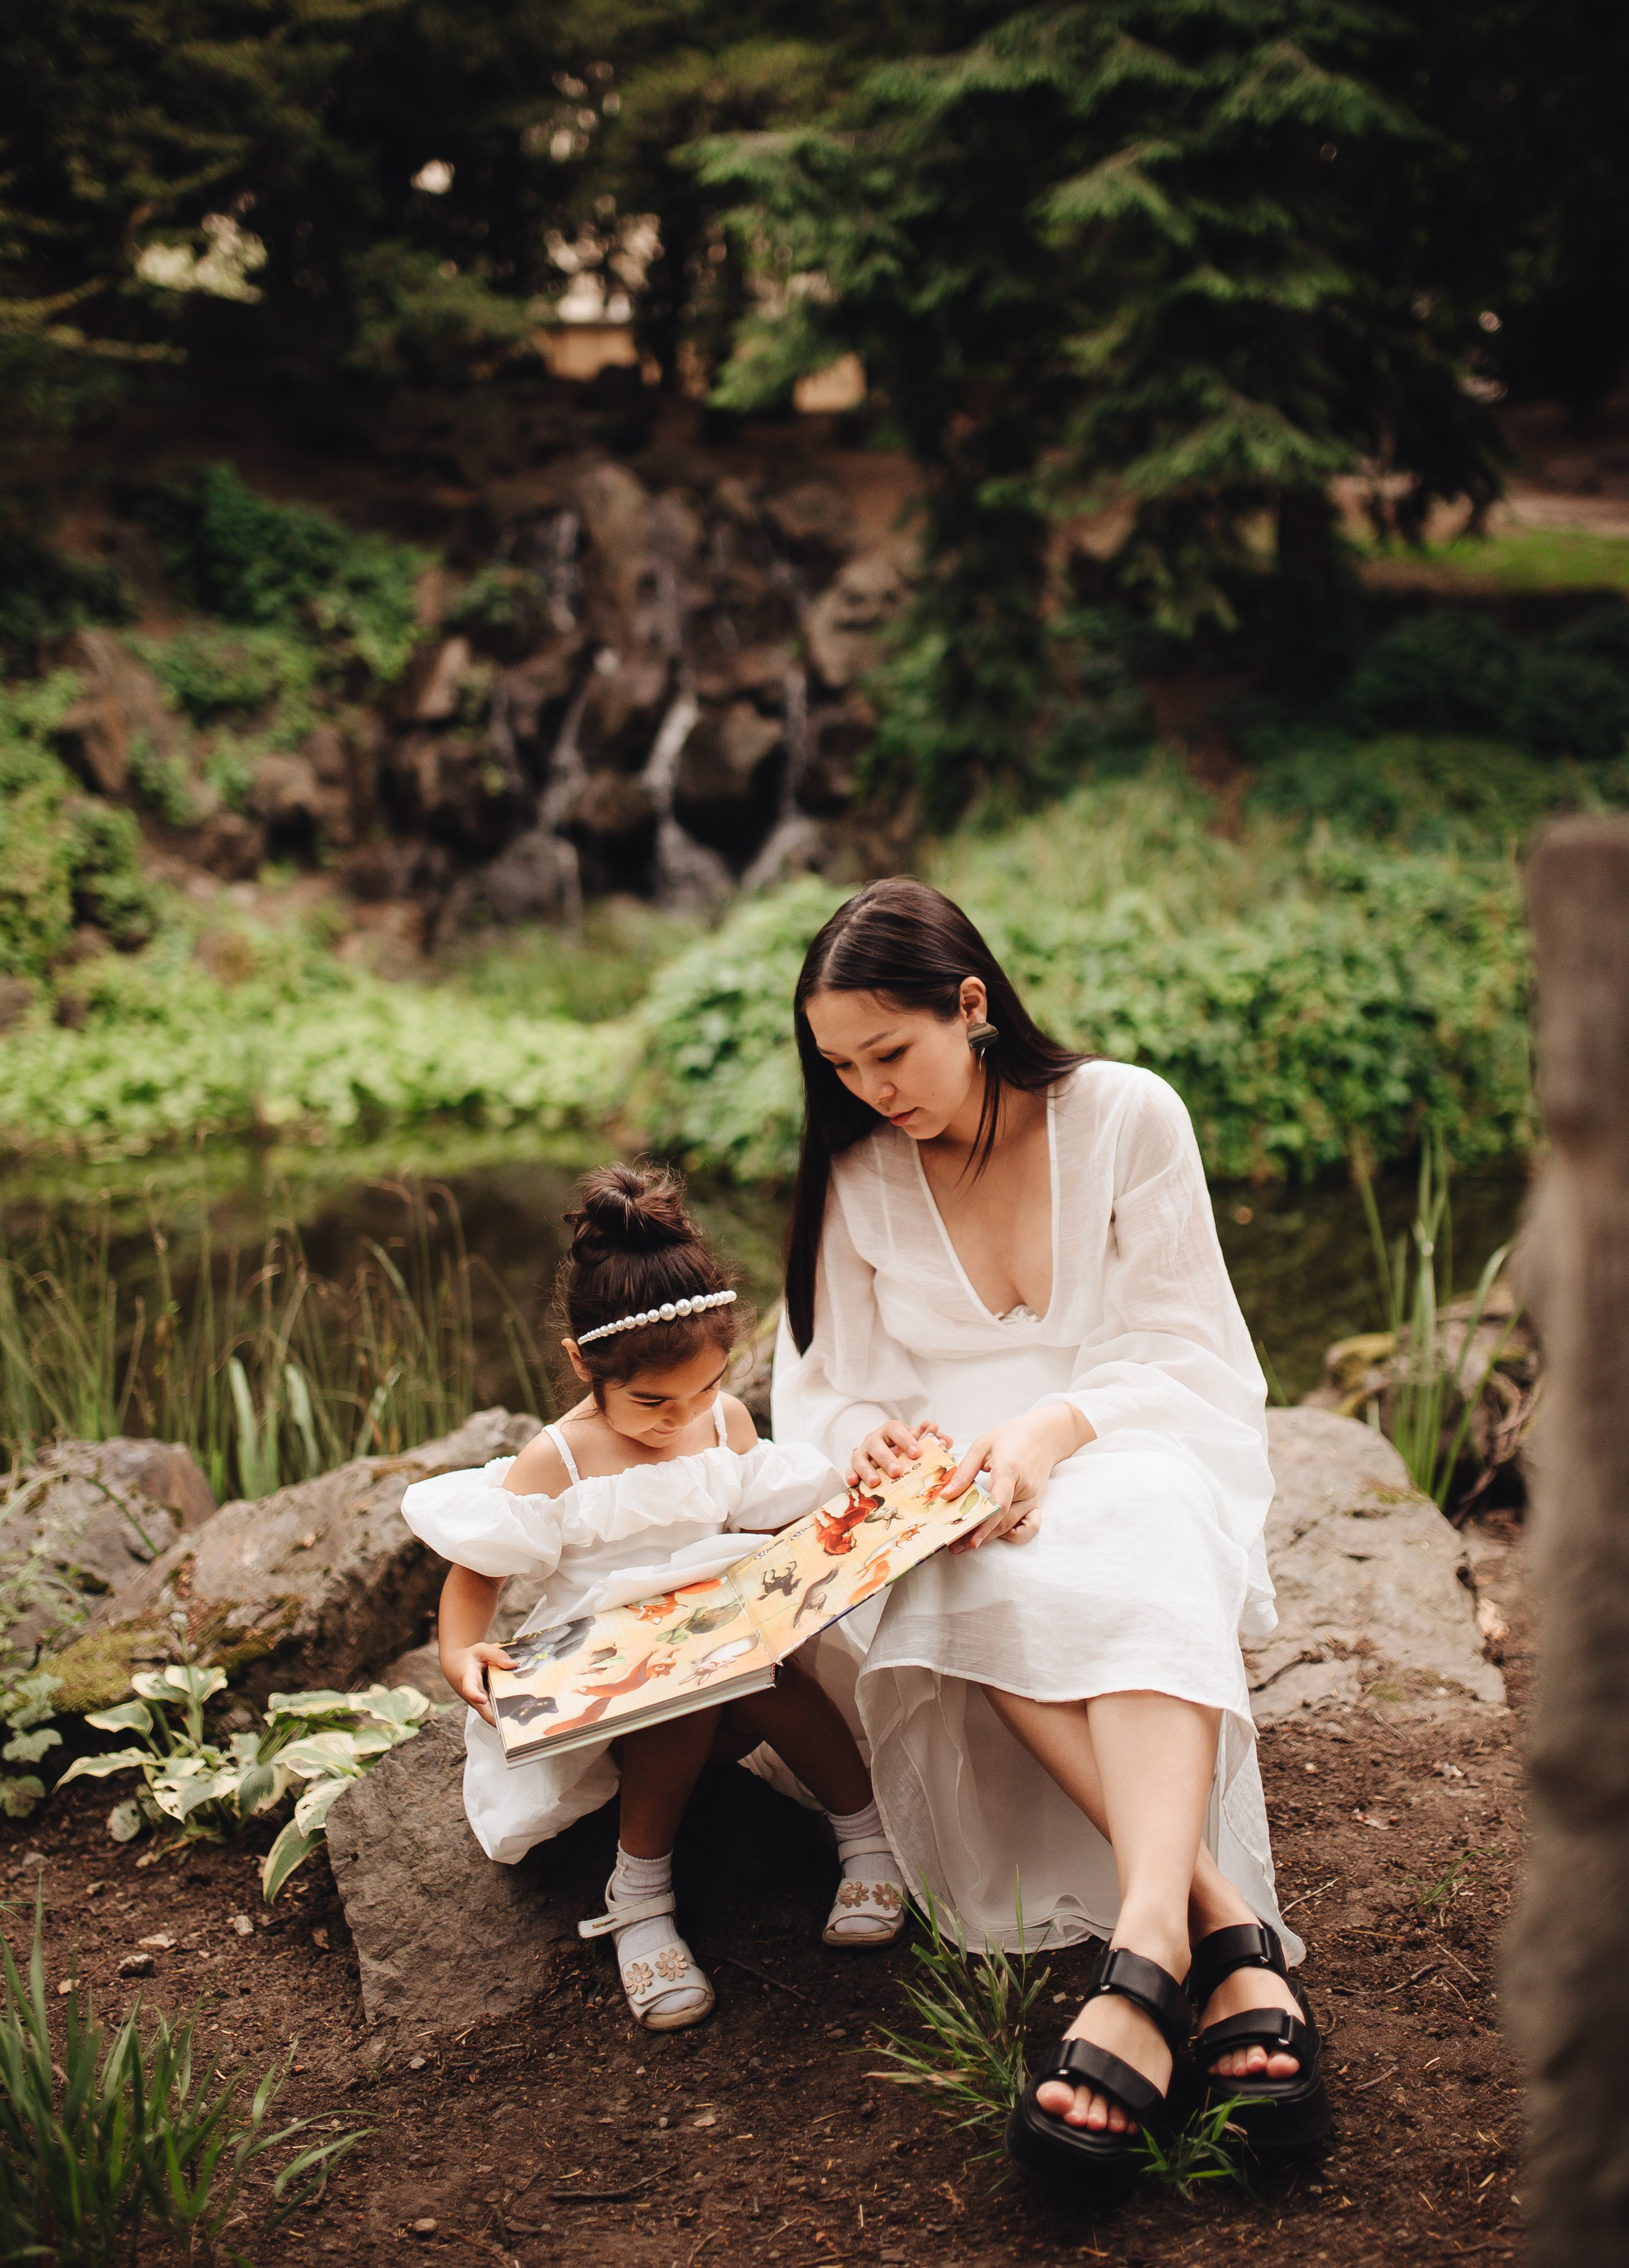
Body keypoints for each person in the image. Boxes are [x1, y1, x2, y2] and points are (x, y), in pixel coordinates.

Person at [772, 877, 1329, 2195]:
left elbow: (1186, 1346)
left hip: (1126, 1432)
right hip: (963, 1492)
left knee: (1130, 1521)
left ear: (970, 1007)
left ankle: (1143, 1955)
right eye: (839, 1066)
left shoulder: (1126, 1114)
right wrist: (869, 1443)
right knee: (977, 1564)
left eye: (889, 1053)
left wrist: (1047, 1433)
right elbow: (824, 1389)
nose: (870, 1090)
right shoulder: (854, 1177)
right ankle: (1217, 1928)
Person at [403, 1164, 906, 2033]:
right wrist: (458, 1653)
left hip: (733, 1659)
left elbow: (769, 1517)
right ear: (581, 1365)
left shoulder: (724, 1425)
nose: (682, 1417)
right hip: (621, 1691)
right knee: (682, 1694)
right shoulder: (557, 1460)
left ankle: (865, 1836)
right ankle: (639, 1896)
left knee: (764, 1668)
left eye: (705, 1388)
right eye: (650, 1401)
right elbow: (479, 1570)